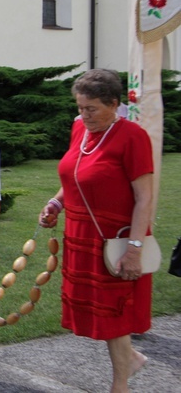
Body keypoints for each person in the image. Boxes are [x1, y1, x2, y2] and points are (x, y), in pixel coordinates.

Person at [38, 68, 153, 393]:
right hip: (80, 235)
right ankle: (128, 358)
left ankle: (120, 385)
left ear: (114, 104)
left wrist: (135, 248)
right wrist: (56, 204)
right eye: (80, 107)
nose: (83, 115)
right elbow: (74, 175)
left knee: (114, 314)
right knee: (102, 314)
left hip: (116, 239)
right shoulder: (81, 129)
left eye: (91, 109)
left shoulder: (133, 136)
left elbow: (145, 197)